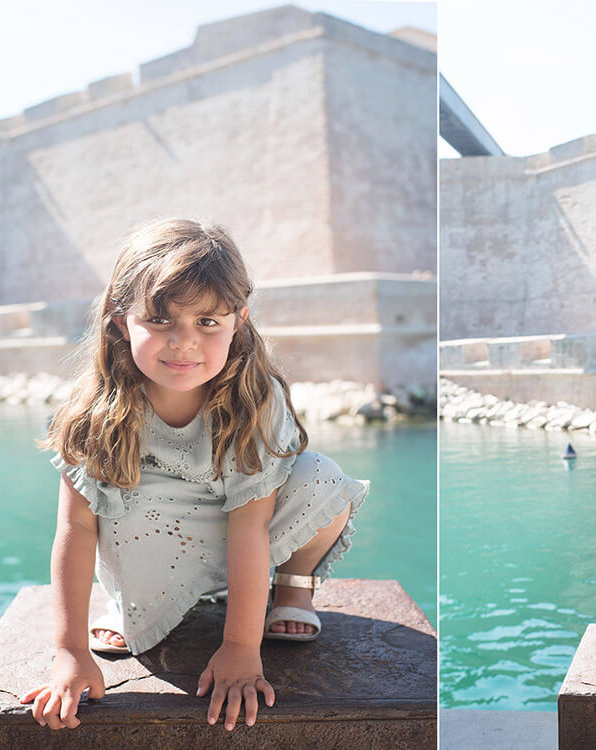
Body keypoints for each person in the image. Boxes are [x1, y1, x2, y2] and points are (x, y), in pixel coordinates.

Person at [21, 218, 368, 731]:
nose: (184, 343)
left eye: (208, 323)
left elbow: (251, 525)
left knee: (321, 477)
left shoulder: (254, 398)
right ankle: (129, 605)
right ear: (120, 320)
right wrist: (69, 651)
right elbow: (76, 529)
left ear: (238, 322)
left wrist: (239, 647)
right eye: (161, 320)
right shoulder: (94, 411)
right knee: (123, 516)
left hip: (234, 538)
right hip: (148, 539)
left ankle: (293, 588)